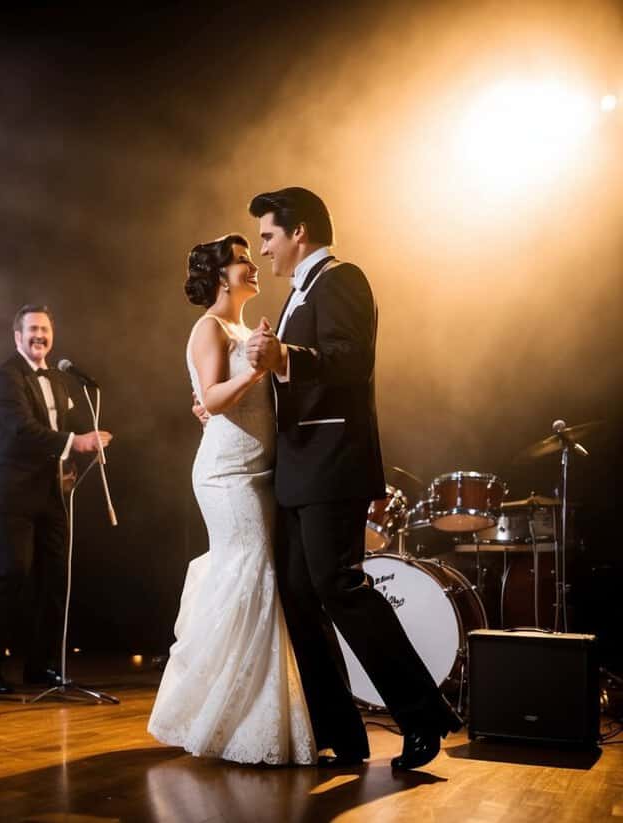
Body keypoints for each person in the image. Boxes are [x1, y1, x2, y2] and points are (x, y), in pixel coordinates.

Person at [244, 187, 462, 770]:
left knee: (338, 585)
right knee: (295, 593)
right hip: (297, 467)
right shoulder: (297, 293)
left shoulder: (342, 279)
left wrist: (284, 355)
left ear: (300, 233)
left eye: (268, 236)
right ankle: (341, 731)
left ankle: (423, 716)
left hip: (333, 463)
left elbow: (349, 359)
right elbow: (288, 376)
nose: (264, 249)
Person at [149, 235, 315, 765]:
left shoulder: (246, 329)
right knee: (253, 576)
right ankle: (228, 717)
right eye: (243, 259)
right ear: (222, 275)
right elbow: (214, 400)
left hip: (260, 471)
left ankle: (244, 712)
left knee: (256, 577)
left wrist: (261, 365)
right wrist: (255, 370)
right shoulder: (209, 327)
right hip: (226, 473)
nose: (253, 265)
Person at [0, 304, 113, 693]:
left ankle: (43, 666)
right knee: (11, 573)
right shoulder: (4, 378)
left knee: (55, 578)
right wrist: (75, 442)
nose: (39, 336)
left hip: (51, 491)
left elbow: (63, 427)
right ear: (17, 336)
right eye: (32, 329)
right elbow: (21, 431)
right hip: (12, 489)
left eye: (45, 329)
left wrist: (87, 442)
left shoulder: (59, 378)